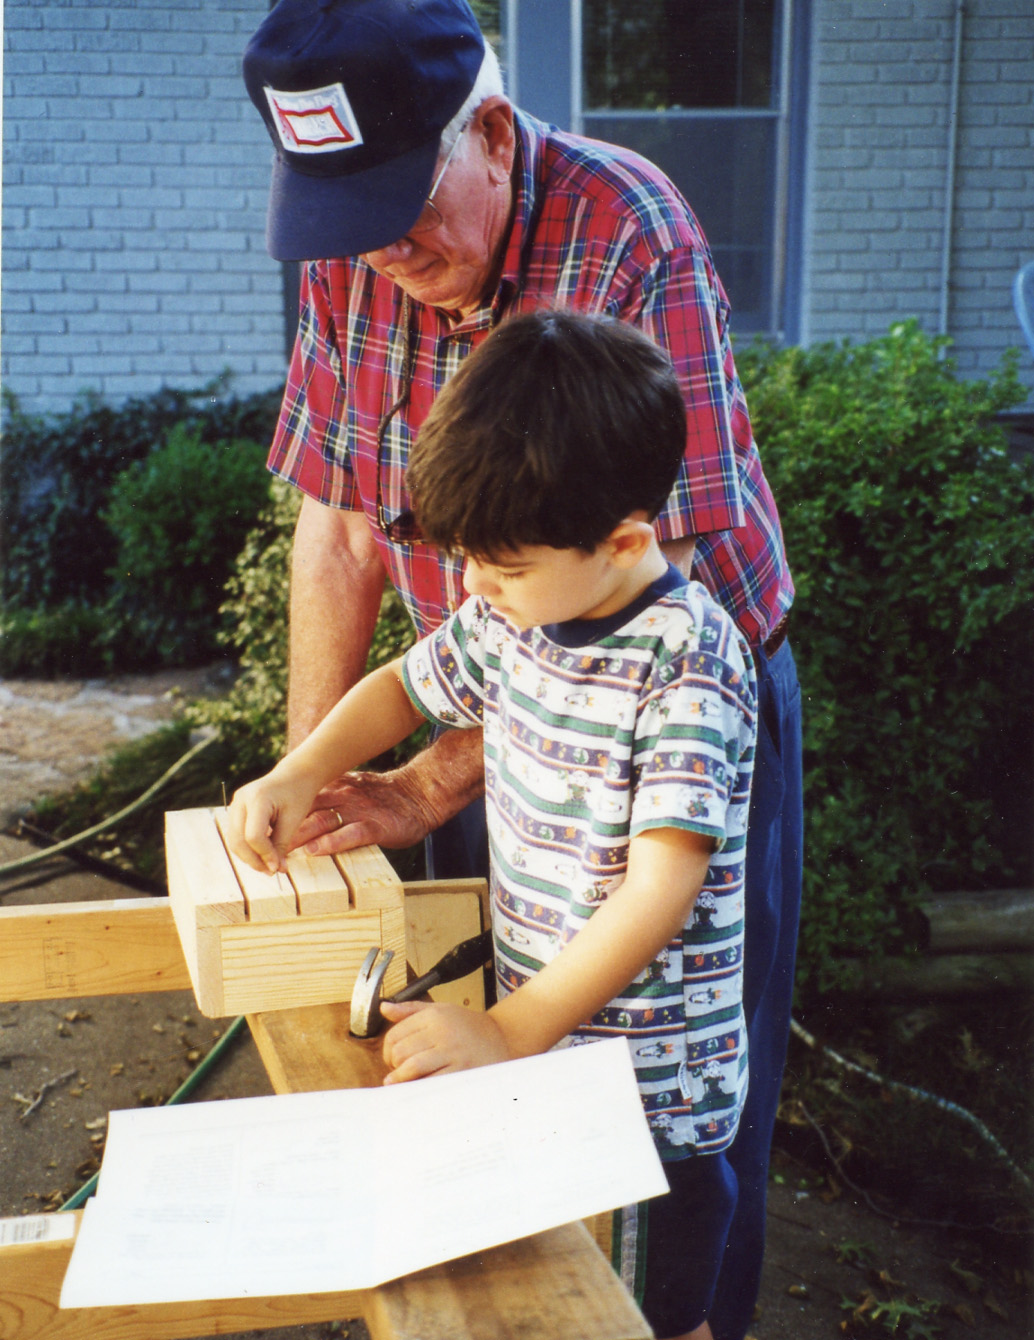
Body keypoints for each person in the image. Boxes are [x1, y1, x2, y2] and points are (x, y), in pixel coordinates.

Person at [241, 4, 803, 1337]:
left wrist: (437, 793)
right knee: (525, 1085)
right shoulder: (355, 245)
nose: (379, 251)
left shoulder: (627, 229)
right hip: (527, 691)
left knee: (675, 1180)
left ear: (489, 132)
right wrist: (309, 778)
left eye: (404, 207)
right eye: (346, 216)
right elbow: (339, 526)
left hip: (647, 720)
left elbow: (646, 858)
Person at [226, 310, 759, 1340]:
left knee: (646, 1318)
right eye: (466, 561)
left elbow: (660, 888)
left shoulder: (687, 665)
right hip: (550, 1061)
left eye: (499, 568)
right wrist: (301, 768)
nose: (472, 588)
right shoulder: (520, 614)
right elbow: (403, 683)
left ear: (623, 543)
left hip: (643, 1102)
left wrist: (507, 1030)